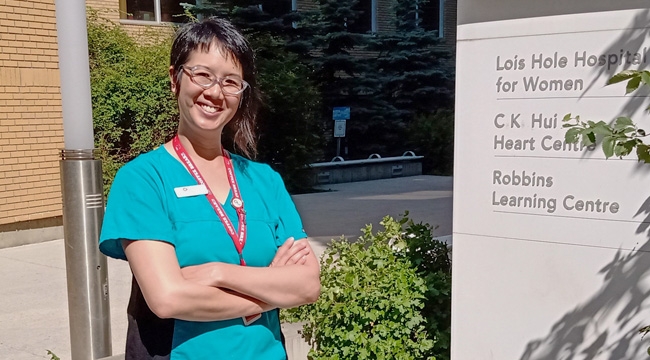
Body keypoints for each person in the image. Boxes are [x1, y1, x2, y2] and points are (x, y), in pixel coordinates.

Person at [99, 17, 321, 360]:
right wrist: (269, 291)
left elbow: (307, 285)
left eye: (231, 81)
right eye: (202, 74)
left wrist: (218, 273)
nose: (216, 92)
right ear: (175, 79)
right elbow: (167, 298)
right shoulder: (143, 179)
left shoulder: (264, 181)